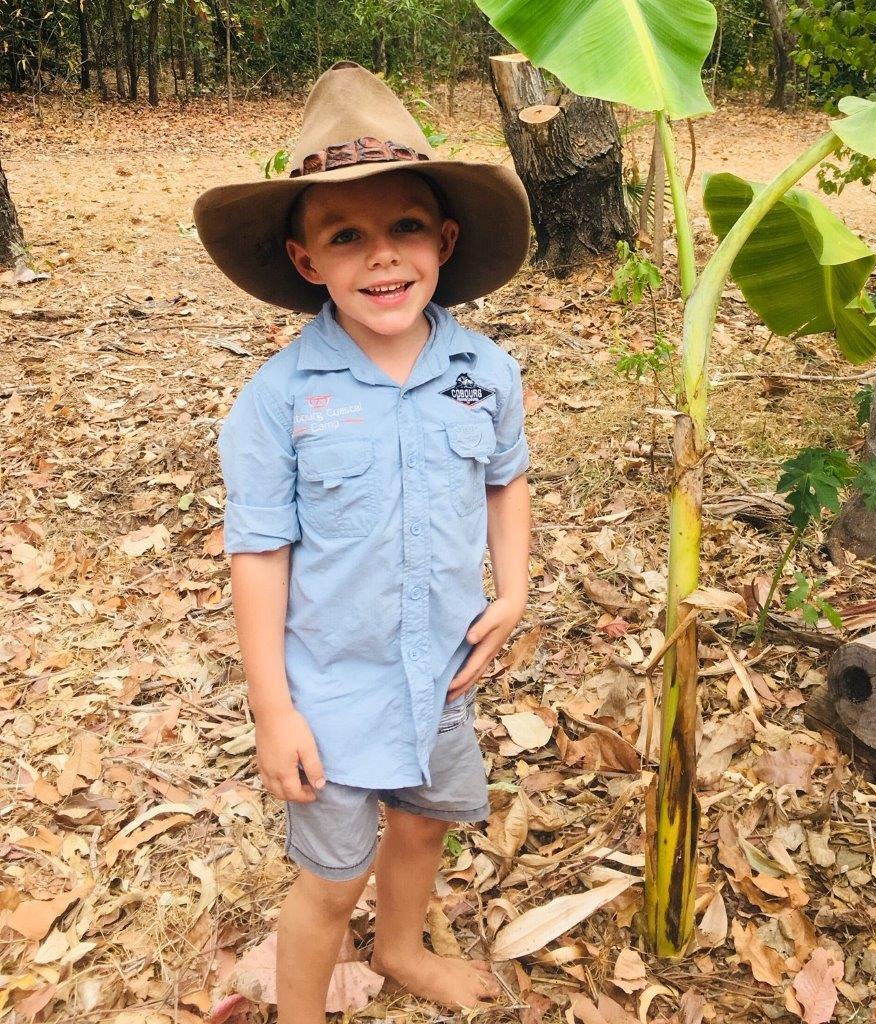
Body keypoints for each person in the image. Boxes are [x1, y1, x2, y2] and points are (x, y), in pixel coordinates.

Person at [193, 61, 533, 1018]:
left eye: (406, 228)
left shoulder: (484, 370)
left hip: (443, 672)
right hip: (332, 689)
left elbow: (507, 479)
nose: (382, 260)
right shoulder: (280, 402)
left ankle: (402, 949)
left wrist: (510, 593)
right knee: (332, 879)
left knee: (424, 828)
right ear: (308, 262)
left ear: (446, 240)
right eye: (347, 237)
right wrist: (274, 711)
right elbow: (258, 554)